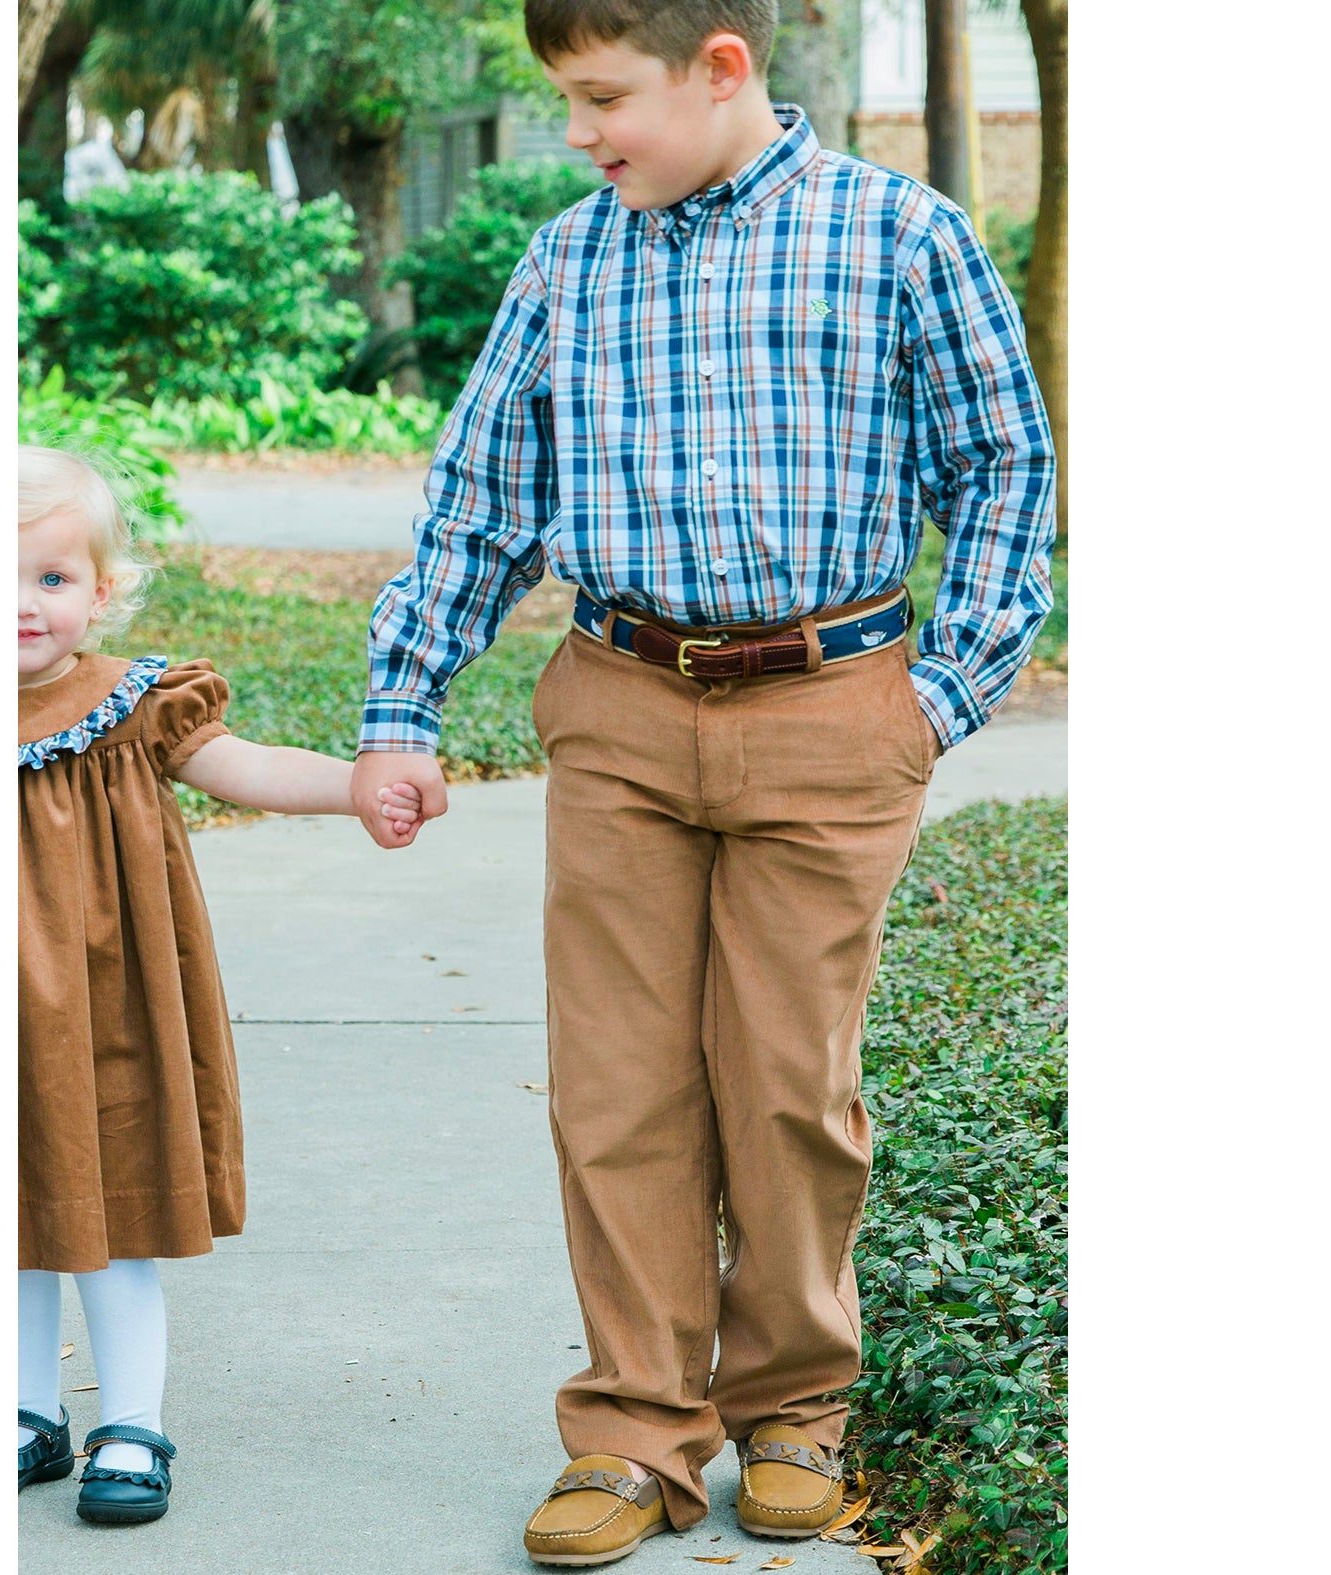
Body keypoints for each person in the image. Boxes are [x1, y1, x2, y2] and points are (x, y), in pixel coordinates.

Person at [350, 0, 1055, 1564]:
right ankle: (632, 1426)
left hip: (829, 706)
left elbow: (1003, 464)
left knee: (785, 1078)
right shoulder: (567, 257)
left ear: (719, 65)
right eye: (570, 103)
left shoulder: (896, 236)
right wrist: (404, 704)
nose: (583, 132)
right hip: (616, 701)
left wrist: (934, 696)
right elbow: (479, 498)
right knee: (615, 1083)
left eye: (605, 98)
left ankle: (793, 1405)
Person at [17, 444, 423, 1524]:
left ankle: (131, 1424)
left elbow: (242, 765)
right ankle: (23, 1414)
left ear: (102, 590)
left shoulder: (136, 703)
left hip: (110, 1010)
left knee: (108, 1221)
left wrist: (351, 787)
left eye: (51, 579)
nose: (19, 606)